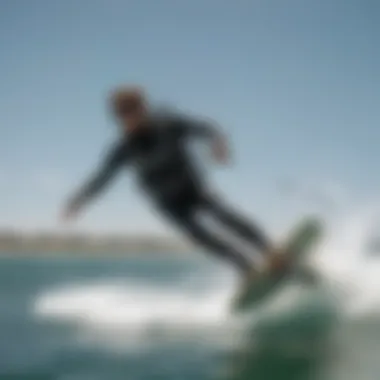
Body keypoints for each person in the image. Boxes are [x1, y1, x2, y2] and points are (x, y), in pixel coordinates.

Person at [61, 86, 284, 285]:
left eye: (133, 111)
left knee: (225, 217)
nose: (130, 119)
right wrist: (79, 200)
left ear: (143, 108)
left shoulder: (168, 125)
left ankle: (271, 253)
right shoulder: (123, 148)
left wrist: (219, 145)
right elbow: (102, 178)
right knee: (203, 238)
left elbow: (206, 128)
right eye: (123, 115)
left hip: (193, 189)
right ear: (118, 118)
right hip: (168, 204)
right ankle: (246, 269)